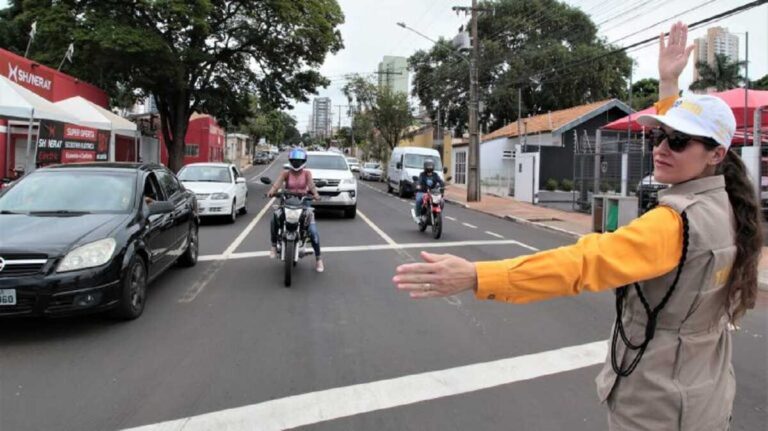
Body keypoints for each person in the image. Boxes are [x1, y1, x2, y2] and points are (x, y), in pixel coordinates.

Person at [393, 22, 762, 431]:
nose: (659, 148)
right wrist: (668, 84)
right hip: (704, 396)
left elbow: (582, 264)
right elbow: (686, 140)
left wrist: (477, 275)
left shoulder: (672, 225)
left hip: (656, 408)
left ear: (716, 154)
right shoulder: (730, 204)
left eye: (677, 142)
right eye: (659, 136)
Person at [267, 147, 324, 273]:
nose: (296, 163)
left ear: (303, 161)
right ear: (290, 160)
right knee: (274, 218)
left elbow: (312, 186)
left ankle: (319, 259)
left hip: (304, 204)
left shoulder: (307, 173)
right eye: (294, 160)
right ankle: (273, 245)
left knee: (313, 233)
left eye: (298, 160)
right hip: (286, 203)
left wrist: (316, 194)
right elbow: (276, 184)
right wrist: (271, 192)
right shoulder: (285, 173)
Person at [411, 159, 445, 223]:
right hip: (422, 192)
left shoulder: (435, 175)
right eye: (428, 166)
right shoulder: (422, 174)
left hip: (433, 192)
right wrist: (418, 185)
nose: (429, 167)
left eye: (431, 166)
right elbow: (419, 181)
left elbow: (440, 181)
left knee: (441, 200)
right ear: (425, 166)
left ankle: (437, 214)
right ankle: (418, 216)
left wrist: (443, 185)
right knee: (418, 200)